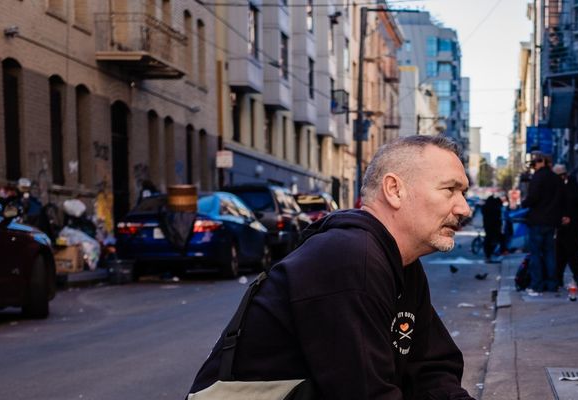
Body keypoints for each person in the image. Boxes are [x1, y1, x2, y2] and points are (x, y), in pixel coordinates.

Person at [190, 136, 475, 399]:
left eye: (462, 193)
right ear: (394, 189)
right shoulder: (350, 259)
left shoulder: (401, 263)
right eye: (450, 190)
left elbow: (432, 368)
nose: (464, 208)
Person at [520, 152, 566, 295]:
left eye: (536, 162)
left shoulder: (538, 177)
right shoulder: (555, 179)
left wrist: (524, 203)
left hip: (537, 221)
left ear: (542, 162)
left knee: (536, 254)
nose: (534, 165)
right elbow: (561, 199)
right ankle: (552, 284)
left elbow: (532, 198)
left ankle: (537, 285)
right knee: (550, 254)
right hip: (551, 222)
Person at [552, 164, 578, 289]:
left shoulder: (572, 188)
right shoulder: (563, 188)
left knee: (572, 254)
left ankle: (577, 278)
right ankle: (560, 278)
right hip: (564, 227)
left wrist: (576, 219)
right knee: (561, 255)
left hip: (570, 227)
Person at [480, 194, 504, 262]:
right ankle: (492, 255)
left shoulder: (486, 209)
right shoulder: (495, 209)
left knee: (489, 241)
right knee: (495, 240)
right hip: (494, 227)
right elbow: (498, 219)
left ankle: (488, 256)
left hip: (488, 227)